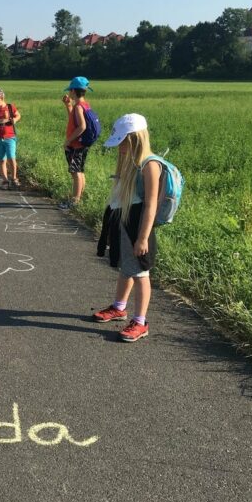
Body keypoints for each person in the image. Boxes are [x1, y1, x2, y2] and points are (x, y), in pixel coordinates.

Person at [92, 113, 161, 343]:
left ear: (134, 139)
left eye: (122, 142)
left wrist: (142, 238)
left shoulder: (150, 165)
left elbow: (151, 205)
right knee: (126, 267)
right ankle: (119, 307)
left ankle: (141, 322)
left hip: (138, 228)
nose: (119, 148)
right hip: (124, 222)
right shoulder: (130, 161)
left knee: (140, 273)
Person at [59, 76, 94, 210]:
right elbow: (73, 120)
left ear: (73, 91)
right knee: (80, 171)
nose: (69, 93)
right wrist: (68, 105)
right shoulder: (84, 105)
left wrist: (68, 141)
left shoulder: (79, 107)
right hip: (82, 144)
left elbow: (82, 126)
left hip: (75, 145)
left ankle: (75, 201)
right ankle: (79, 197)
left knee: (76, 173)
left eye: (70, 90)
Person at [0, 88, 20, 190]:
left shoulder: (10, 107)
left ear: (1, 97)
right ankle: (5, 180)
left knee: (11, 158)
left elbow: (18, 115)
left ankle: (14, 178)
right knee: (1, 160)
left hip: (10, 137)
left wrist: (15, 119)